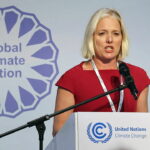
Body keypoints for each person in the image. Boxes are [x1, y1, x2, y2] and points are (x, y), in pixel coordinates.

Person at [52, 8, 150, 136]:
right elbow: (59, 132)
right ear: (91, 37)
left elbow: (143, 130)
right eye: (102, 33)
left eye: (116, 33)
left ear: (122, 38)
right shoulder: (72, 78)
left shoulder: (138, 76)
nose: (109, 40)